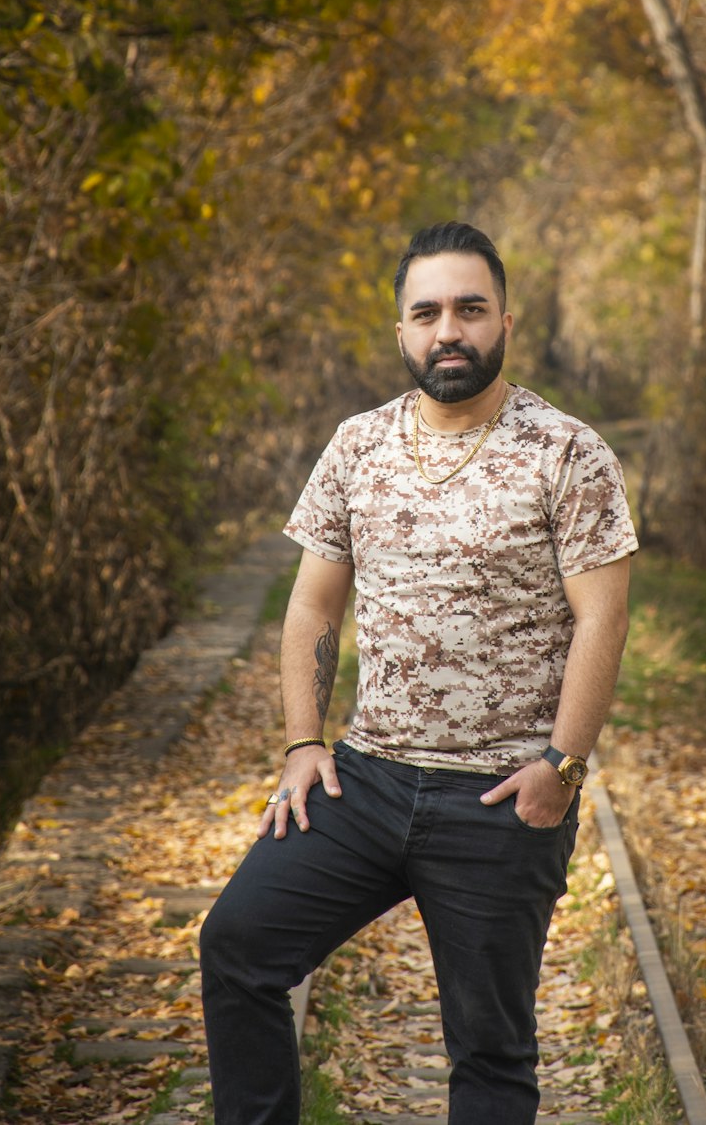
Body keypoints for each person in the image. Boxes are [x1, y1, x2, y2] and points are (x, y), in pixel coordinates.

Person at [200, 220, 638, 1125]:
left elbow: (603, 615)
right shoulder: (357, 446)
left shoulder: (567, 451)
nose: (450, 330)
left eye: (470, 309)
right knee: (238, 944)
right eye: (428, 312)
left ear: (505, 322)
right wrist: (301, 745)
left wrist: (561, 767)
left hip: (499, 797)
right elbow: (313, 607)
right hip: (365, 780)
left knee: (489, 1051)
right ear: (401, 331)